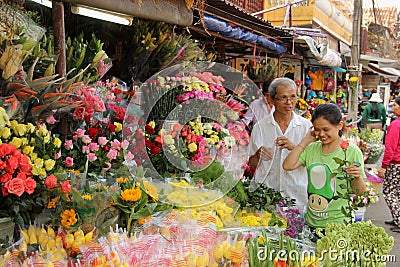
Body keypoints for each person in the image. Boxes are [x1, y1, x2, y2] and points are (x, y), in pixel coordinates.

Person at [283, 104, 366, 230]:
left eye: (326, 129)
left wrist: (357, 177)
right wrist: (306, 140)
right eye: (317, 129)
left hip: (338, 224)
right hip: (312, 222)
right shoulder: (312, 148)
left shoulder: (351, 151)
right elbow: (288, 165)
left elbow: (359, 192)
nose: (321, 134)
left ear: (339, 126)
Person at [248, 77, 312, 208]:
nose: (289, 102)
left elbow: (313, 160)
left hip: (296, 195)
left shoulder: (306, 127)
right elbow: (252, 162)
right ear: (271, 100)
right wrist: (258, 155)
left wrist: (294, 148)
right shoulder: (261, 127)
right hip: (266, 195)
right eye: (283, 98)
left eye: (293, 97)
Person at [378, 97, 400, 233]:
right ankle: (397, 217)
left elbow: (390, 147)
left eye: (396, 105)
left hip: (395, 163)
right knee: (397, 191)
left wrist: (384, 166)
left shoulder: (396, 125)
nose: (393, 107)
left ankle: (399, 219)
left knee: (389, 192)